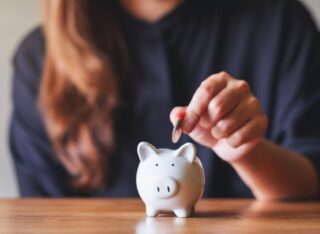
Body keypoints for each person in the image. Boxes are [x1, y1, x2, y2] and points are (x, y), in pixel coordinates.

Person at [10, 0, 320, 199]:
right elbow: (44, 223)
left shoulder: (281, 22)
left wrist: (246, 153)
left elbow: (312, 186)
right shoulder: (41, 60)